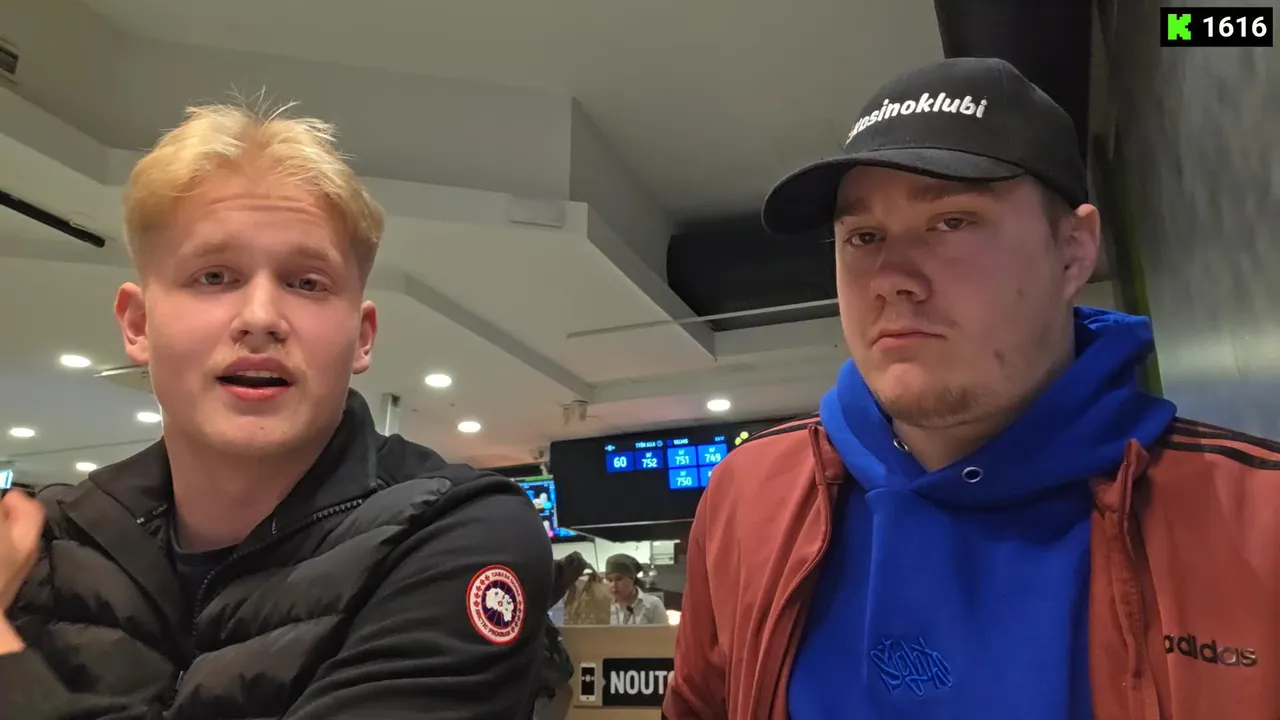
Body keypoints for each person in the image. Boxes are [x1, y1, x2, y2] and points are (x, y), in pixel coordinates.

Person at [664, 57, 1279, 720]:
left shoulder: (1256, 518)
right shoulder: (749, 498)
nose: (890, 278)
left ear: (1073, 250)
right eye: (863, 236)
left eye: (952, 222)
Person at [0, 100, 553, 718]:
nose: (261, 318)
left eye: (306, 282)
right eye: (214, 277)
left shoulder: (455, 535)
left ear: (362, 337)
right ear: (138, 324)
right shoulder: (43, 540)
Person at [603, 554, 667, 625]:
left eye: (619, 579)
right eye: (610, 580)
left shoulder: (652, 605)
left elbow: (663, 632)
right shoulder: (605, 606)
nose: (613, 585)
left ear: (632, 578)